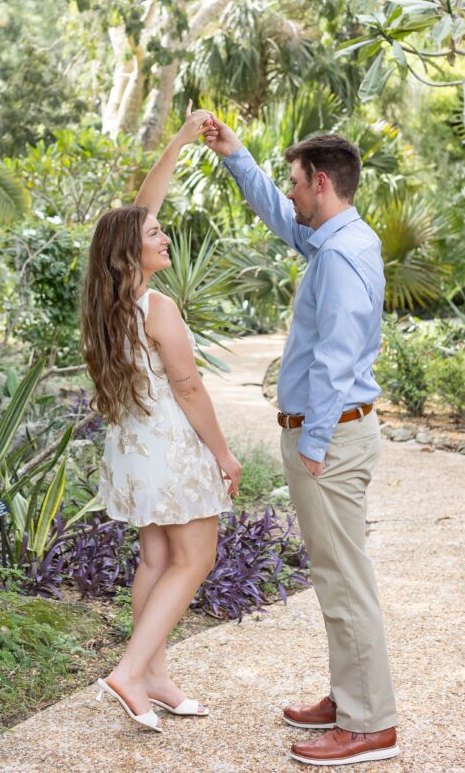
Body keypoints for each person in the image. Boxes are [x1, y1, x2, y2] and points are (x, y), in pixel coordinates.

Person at [204, 120, 399, 767]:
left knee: (344, 581)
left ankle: (369, 724)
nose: (288, 195)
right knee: (336, 574)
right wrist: (237, 159)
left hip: (331, 440)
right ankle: (350, 701)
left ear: (320, 183)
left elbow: (337, 358)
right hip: (335, 435)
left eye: (293, 183)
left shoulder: (340, 255)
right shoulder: (335, 238)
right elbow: (281, 220)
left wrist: (312, 442)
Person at [82, 103, 242, 734]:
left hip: (132, 450)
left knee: (155, 560)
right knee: (194, 560)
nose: (165, 236)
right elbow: (191, 388)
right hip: (170, 450)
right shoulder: (159, 307)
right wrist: (225, 455)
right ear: (134, 253)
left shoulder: (110, 302)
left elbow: (137, 213)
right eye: (156, 236)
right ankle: (128, 671)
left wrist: (178, 139)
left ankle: (156, 678)